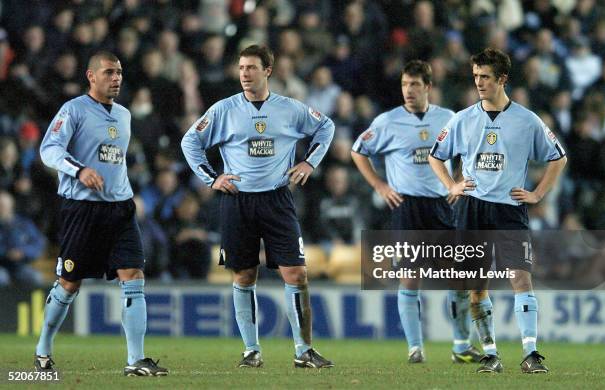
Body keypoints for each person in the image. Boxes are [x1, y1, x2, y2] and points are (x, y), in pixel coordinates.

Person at [181, 45, 335, 369]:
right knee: (244, 274)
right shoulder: (224, 110)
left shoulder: (290, 109)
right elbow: (189, 142)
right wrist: (212, 179)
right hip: (238, 200)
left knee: (296, 272)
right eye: (240, 68)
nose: (244, 74)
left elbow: (326, 127)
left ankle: (303, 350)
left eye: (251, 67)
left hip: (278, 199)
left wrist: (309, 162)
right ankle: (251, 350)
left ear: (268, 70)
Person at [428, 48, 567, 373]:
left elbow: (558, 157)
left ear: (502, 79)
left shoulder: (527, 120)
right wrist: (451, 185)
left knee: (520, 277)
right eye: (475, 76)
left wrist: (537, 194)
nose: (478, 82)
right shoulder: (461, 119)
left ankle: (531, 354)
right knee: (476, 287)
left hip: (509, 210)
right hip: (472, 209)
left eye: (485, 77)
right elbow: (436, 155)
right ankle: (491, 353)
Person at [35, 51, 168, 376]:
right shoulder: (74, 110)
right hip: (82, 209)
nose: (116, 78)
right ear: (91, 76)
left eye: (119, 72)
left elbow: (114, 159)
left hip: (120, 209)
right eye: (109, 72)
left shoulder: (124, 115)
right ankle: (42, 351)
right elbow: (48, 150)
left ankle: (135, 360)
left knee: (133, 276)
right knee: (69, 283)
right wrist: (79, 171)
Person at [351, 60, 481, 364]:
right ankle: (414, 348)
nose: (408, 91)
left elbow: (473, 150)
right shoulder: (387, 121)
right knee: (410, 278)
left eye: (414, 85)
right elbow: (358, 151)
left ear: (428, 87)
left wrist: (457, 182)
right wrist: (380, 186)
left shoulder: (449, 118)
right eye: (404, 85)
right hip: (407, 206)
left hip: (442, 205)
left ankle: (461, 346)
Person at [0, 190, 45, 286]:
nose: (2, 208)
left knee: (35, 277)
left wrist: (23, 252)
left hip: (20, 266)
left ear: (11, 205)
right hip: (1, 265)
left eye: (4, 205)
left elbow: (38, 243)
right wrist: (7, 253)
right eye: (1, 206)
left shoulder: (24, 223)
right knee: (2, 277)